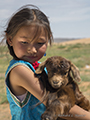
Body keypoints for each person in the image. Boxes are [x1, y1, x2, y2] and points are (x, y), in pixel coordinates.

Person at [3, 4, 90, 120]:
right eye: (24, 42)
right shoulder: (19, 70)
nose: (33, 50)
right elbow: (55, 104)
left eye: (40, 43)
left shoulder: (42, 67)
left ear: (48, 40)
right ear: (10, 40)